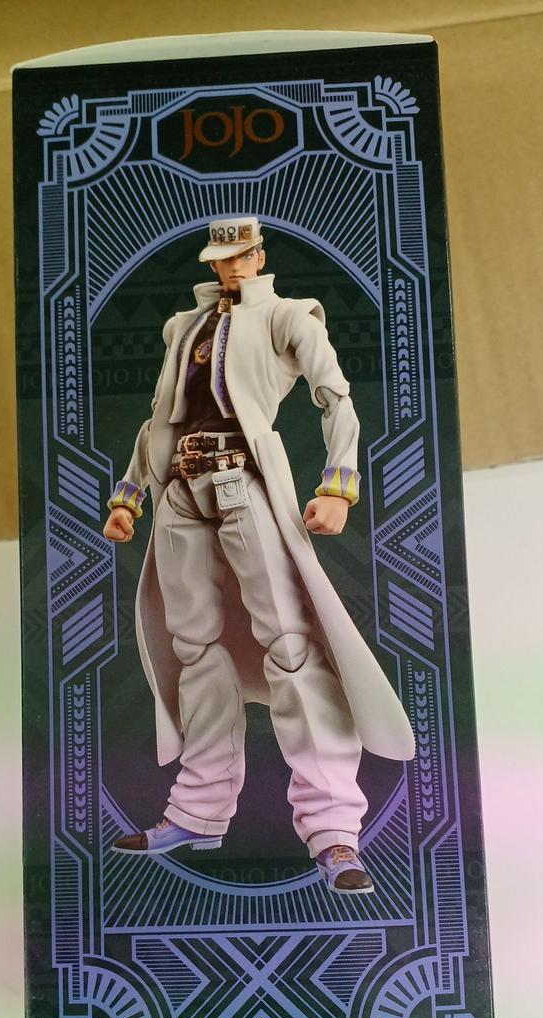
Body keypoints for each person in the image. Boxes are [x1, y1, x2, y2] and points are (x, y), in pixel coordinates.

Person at [103, 216, 414, 892]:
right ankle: (198, 810)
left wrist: (338, 486)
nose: (232, 266)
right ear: (213, 263)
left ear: (259, 254)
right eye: (222, 258)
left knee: (291, 646)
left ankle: (333, 831)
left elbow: (335, 397)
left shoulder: (288, 316)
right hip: (180, 489)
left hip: (242, 481)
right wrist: (128, 496)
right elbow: (158, 418)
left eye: (242, 255)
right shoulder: (183, 327)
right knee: (194, 649)